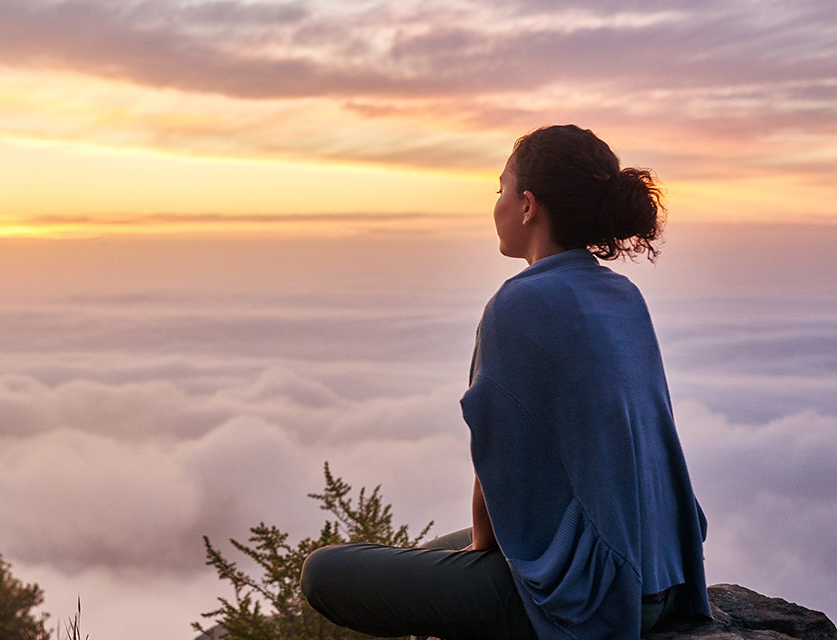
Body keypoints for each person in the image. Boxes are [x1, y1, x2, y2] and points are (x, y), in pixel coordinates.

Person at [300, 125, 710, 640]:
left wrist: (480, 554)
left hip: (599, 596)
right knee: (426, 555)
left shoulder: (519, 303)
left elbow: (497, 465)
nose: (496, 204)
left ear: (528, 206)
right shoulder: (623, 295)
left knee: (325, 572)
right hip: (663, 575)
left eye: (501, 190)